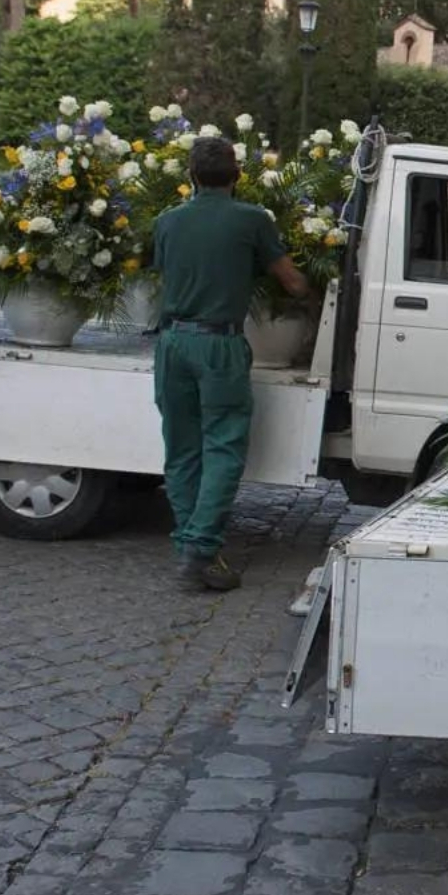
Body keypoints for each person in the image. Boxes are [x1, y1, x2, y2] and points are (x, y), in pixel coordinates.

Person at [150, 134, 308, 592]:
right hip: (218, 346)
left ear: (191, 176)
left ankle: (191, 549)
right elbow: (292, 283)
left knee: (181, 449)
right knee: (222, 445)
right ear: (238, 176)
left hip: (172, 342)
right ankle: (200, 549)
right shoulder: (252, 220)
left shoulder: (167, 222)